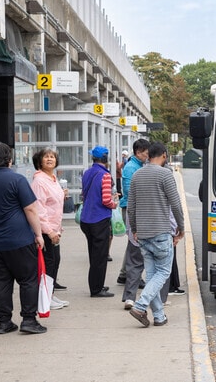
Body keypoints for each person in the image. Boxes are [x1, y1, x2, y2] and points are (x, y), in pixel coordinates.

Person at [0, 141, 47, 334]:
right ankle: (29, 320)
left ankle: (4, 321)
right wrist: (39, 234)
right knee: (28, 280)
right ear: (9, 159)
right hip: (20, 239)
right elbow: (30, 208)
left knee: (1, 282)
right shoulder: (17, 180)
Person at [128, 142, 184, 327]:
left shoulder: (137, 175)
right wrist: (181, 228)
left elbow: (131, 207)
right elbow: (175, 204)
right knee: (163, 272)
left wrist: (135, 229)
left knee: (152, 275)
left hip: (143, 234)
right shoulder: (165, 174)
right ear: (164, 155)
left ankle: (159, 316)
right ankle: (140, 305)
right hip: (161, 231)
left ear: (148, 155)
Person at [31, 148, 69, 310]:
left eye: (52, 157)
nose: (49, 159)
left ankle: (50, 295)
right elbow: (39, 209)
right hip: (46, 231)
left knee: (54, 262)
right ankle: (45, 297)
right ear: (39, 162)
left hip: (55, 229)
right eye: (46, 157)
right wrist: (50, 231)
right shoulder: (39, 181)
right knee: (48, 264)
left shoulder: (52, 179)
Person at [80, 145, 118, 298]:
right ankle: (96, 289)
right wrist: (114, 204)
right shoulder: (106, 176)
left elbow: (84, 194)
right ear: (106, 159)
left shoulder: (87, 173)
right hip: (100, 219)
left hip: (86, 219)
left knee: (93, 254)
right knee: (100, 256)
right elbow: (106, 200)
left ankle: (96, 284)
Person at [119, 138, 150, 309]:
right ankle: (130, 281)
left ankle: (125, 274)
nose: (147, 155)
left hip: (134, 209)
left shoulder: (137, 166)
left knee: (132, 246)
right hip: (133, 211)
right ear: (138, 152)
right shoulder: (132, 168)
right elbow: (131, 192)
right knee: (135, 248)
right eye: (146, 152)